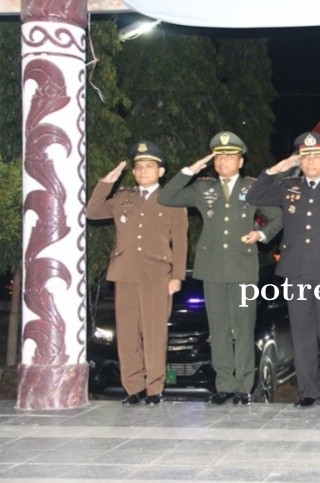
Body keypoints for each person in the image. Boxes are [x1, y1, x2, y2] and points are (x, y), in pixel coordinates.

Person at [158, 131, 282, 405]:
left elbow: (277, 218)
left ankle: (244, 386)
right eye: (219, 157)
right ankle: (224, 384)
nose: (223, 162)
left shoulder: (253, 188)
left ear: (240, 161)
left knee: (243, 326)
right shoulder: (203, 189)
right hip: (212, 268)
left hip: (242, 268)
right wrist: (190, 170)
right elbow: (167, 196)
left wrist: (260, 236)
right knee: (220, 329)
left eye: (230, 157)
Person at [244, 131, 320, 408]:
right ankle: (308, 392)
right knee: (302, 334)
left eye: (317, 156)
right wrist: (275, 169)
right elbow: (254, 194)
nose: (311, 162)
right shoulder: (288, 186)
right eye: (306, 156)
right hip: (296, 272)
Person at [86, 141, 188, 406]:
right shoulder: (123, 198)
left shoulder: (172, 200)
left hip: (157, 273)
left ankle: (155, 388)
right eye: (139, 167)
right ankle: (134, 387)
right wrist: (106, 183)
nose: (143, 171)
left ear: (161, 171)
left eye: (149, 167)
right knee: (128, 332)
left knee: (154, 334)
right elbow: (92, 212)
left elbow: (180, 240)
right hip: (125, 272)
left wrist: (177, 275)